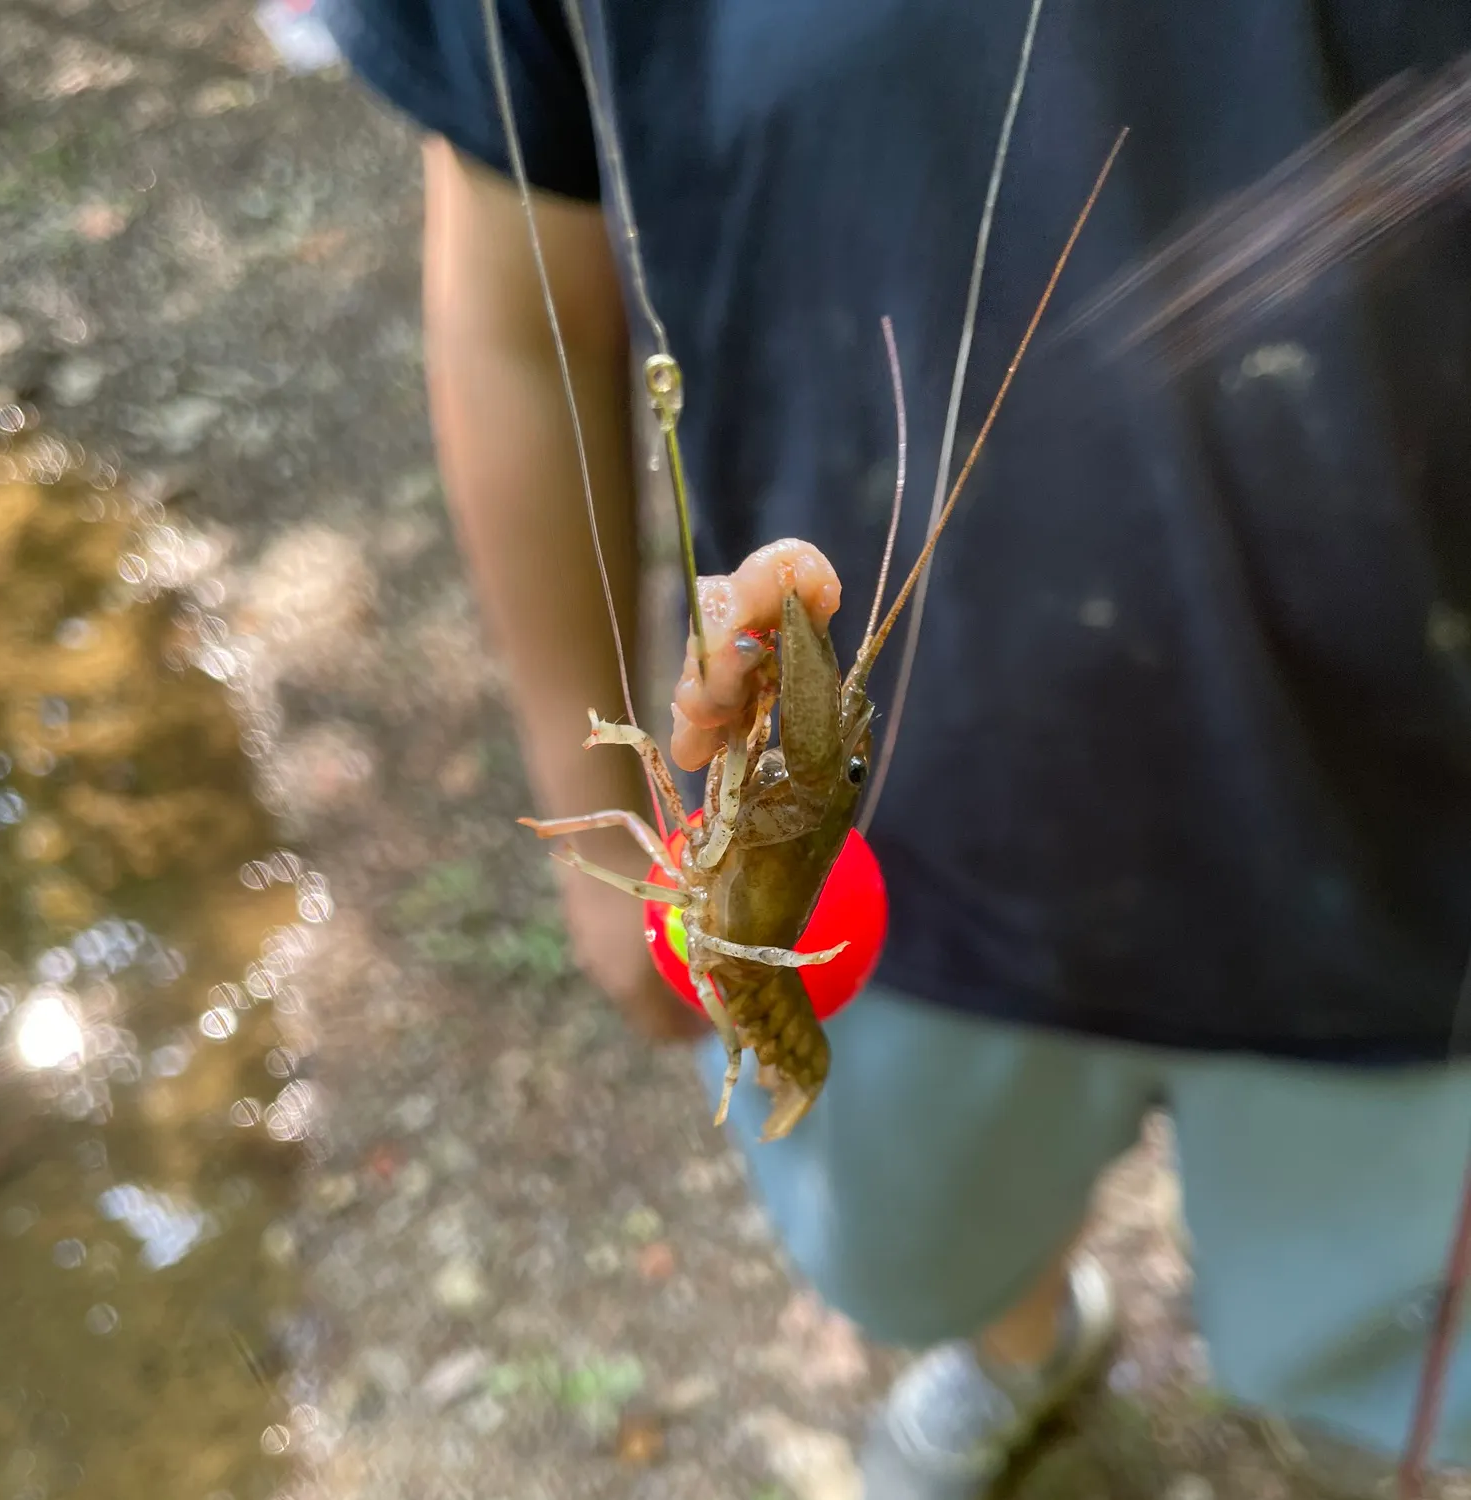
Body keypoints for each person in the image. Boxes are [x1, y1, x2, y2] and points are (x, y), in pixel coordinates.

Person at [318, 0, 1471, 1493]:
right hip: (890, 910)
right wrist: (595, 817)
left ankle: (1331, 1429)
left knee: (1373, 1342)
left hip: (1409, 865)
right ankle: (1016, 1344)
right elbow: (514, 281)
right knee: (923, 1238)